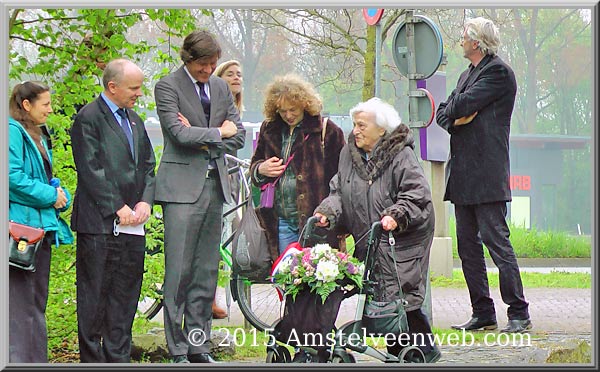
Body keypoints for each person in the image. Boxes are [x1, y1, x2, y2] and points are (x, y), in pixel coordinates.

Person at [314, 97, 441, 363]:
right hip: (371, 237)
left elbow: (417, 196)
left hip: (402, 239)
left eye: (362, 125)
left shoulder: (402, 155)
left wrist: (396, 215)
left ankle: (424, 352)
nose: (356, 130)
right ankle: (406, 353)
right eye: (354, 124)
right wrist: (327, 211)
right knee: (384, 296)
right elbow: (339, 191)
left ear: (382, 129)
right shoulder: (349, 156)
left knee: (402, 296)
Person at [154, 30, 245, 364]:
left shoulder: (221, 87)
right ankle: (176, 348)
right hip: (180, 189)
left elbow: (241, 136)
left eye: (213, 64)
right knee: (178, 272)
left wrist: (203, 136)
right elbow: (177, 135)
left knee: (206, 272)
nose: (209, 70)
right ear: (187, 59)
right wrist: (219, 132)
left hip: (214, 185)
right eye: (203, 64)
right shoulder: (167, 87)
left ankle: (198, 344)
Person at [435, 17, 531, 333]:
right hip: (462, 176)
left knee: (497, 244)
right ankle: (483, 312)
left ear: (476, 41)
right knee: (467, 248)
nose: (461, 40)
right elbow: (443, 114)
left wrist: (458, 112)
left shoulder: (498, 72)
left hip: (488, 175)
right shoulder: (467, 74)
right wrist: (457, 116)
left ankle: (518, 313)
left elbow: (461, 103)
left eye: (464, 36)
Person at [70, 59, 156, 362]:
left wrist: (145, 200)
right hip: (98, 225)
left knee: (125, 296)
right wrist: (117, 206)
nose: (139, 93)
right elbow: (90, 169)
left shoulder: (135, 120)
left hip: (133, 226)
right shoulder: (88, 118)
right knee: (94, 299)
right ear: (112, 87)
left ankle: (118, 359)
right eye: (134, 88)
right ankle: (93, 361)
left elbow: (148, 165)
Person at [8, 81, 72, 363]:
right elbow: (11, 177)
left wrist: (60, 194)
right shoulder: (11, 131)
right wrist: (50, 195)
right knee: (20, 307)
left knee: (35, 304)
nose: (50, 109)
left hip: (39, 230)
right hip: (19, 232)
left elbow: (43, 178)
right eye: (45, 104)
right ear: (26, 105)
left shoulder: (38, 134)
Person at [210, 59, 244, 320]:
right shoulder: (213, 107)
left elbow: (238, 140)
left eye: (239, 75)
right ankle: (210, 296)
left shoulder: (237, 112)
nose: (236, 78)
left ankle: (220, 293)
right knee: (216, 240)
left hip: (232, 185)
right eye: (230, 74)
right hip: (214, 183)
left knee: (228, 240)